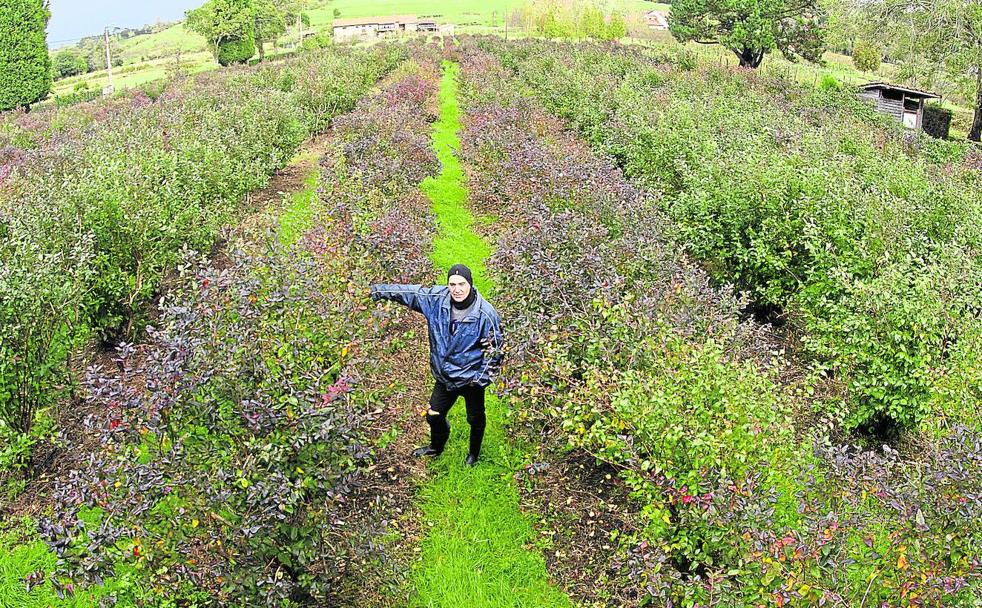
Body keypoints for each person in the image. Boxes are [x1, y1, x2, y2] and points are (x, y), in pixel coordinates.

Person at [370, 264, 503, 466]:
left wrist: (479, 380)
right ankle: (436, 447)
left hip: (471, 380)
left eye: (461, 284)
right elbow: (410, 293)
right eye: (452, 284)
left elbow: (495, 352)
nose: (457, 289)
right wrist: (375, 291)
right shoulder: (436, 300)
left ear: (470, 284)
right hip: (445, 377)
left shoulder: (486, 314)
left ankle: (473, 455)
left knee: (475, 419)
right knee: (434, 416)